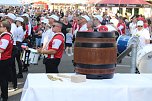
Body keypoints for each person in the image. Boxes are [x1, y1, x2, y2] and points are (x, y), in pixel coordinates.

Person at [0, 20, 13, 101]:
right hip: (6, 59)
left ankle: (4, 96)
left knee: (3, 79)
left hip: (3, 59)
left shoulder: (5, 37)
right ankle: (4, 95)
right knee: (3, 79)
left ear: (5, 28)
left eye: (0, 26)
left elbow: (1, 50)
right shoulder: (8, 35)